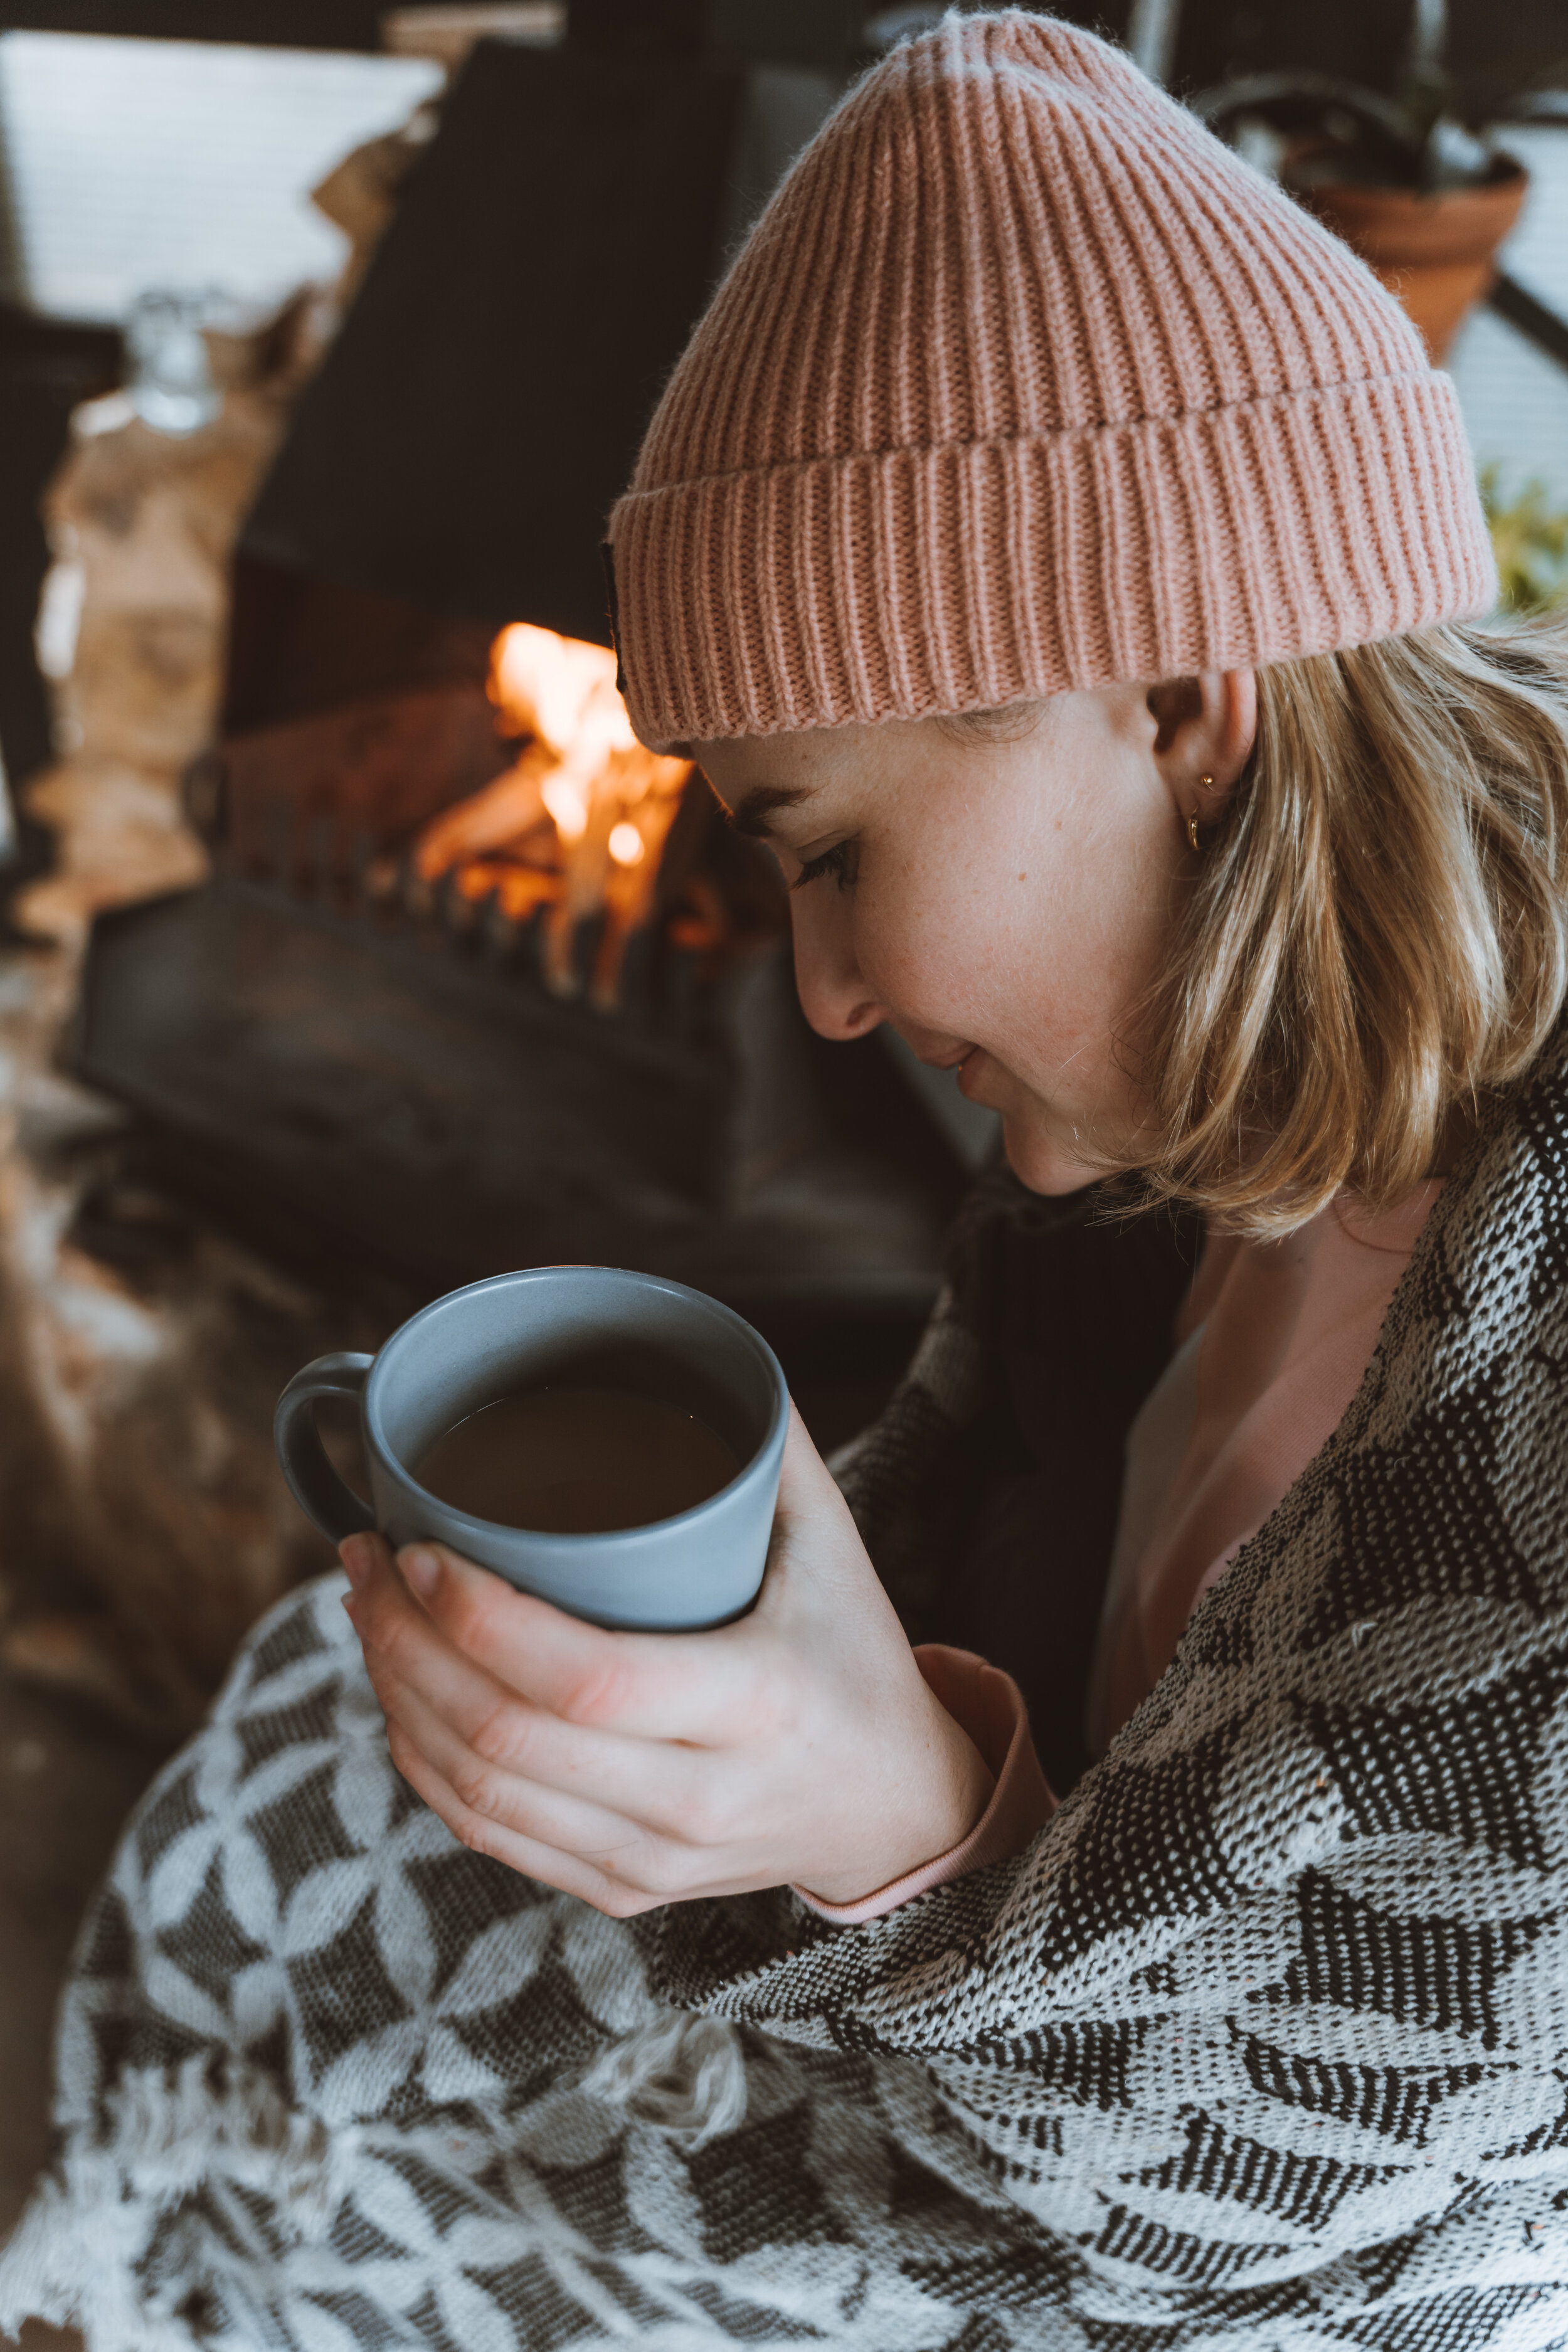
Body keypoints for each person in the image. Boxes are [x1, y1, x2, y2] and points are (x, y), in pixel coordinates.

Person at [6, 11, 1568, 2348]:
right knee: (308, 1750)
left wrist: (892, 1843)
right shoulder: (1185, 1090)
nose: (828, 999)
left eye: (828, 855)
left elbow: (1309, 2190)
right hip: (982, 1923)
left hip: (1136, 2206)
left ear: (1168, 695)